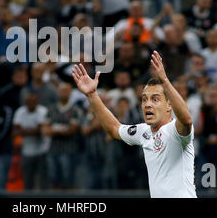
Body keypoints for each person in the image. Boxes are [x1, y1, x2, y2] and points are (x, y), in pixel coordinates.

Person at [71, 51, 196, 198]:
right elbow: (114, 129)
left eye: (155, 99)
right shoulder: (143, 132)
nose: (148, 104)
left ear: (169, 105)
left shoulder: (176, 131)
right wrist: (92, 95)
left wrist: (165, 80)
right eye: (144, 99)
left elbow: (187, 120)